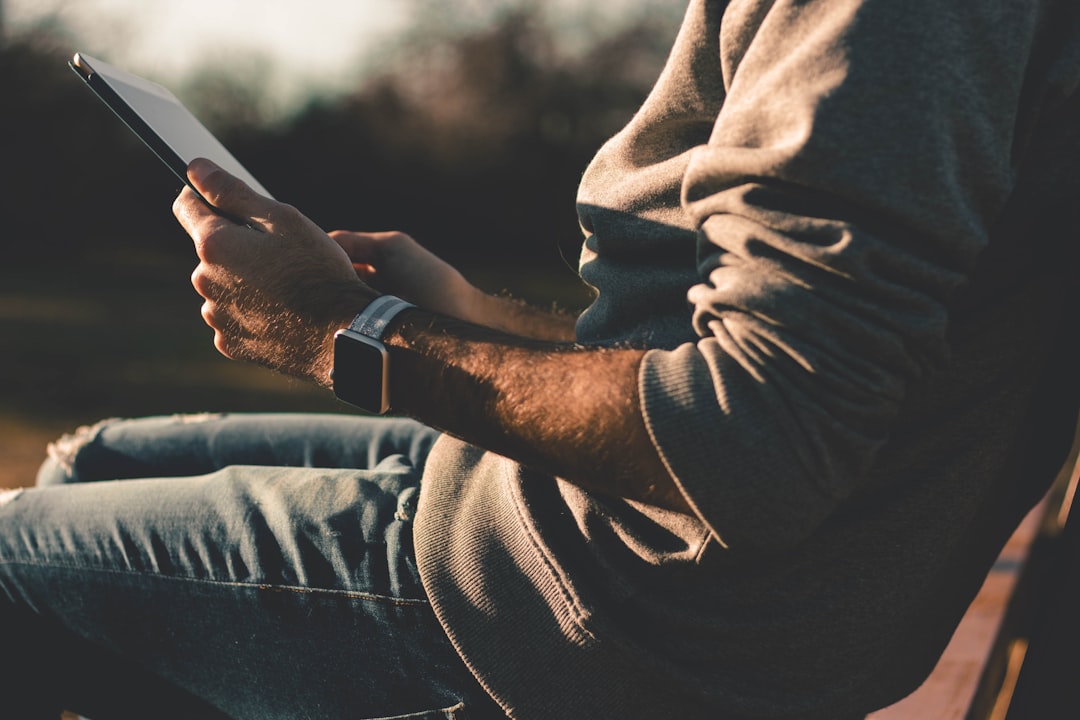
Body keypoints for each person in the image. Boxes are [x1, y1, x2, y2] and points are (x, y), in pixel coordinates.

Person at [4, 0, 1080, 717]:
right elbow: (759, 364)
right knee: (91, 465)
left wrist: (344, 332)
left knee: (14, 564)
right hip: (640, 543)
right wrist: (468, 314)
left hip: (629, 603)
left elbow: (762, 438)